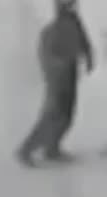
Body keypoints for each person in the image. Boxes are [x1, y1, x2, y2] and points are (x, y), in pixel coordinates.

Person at [16, 0, 95, 166]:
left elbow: (84, 42)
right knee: (53, 116)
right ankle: (26, 150)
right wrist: (58, 69)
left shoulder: (75, 23)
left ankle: (52, 148)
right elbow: (46, 58)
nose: (73, 7)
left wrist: (88, 58)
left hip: (70, 75)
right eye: (69, 5)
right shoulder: (51, 30)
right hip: (58, 80)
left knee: (66, 116)